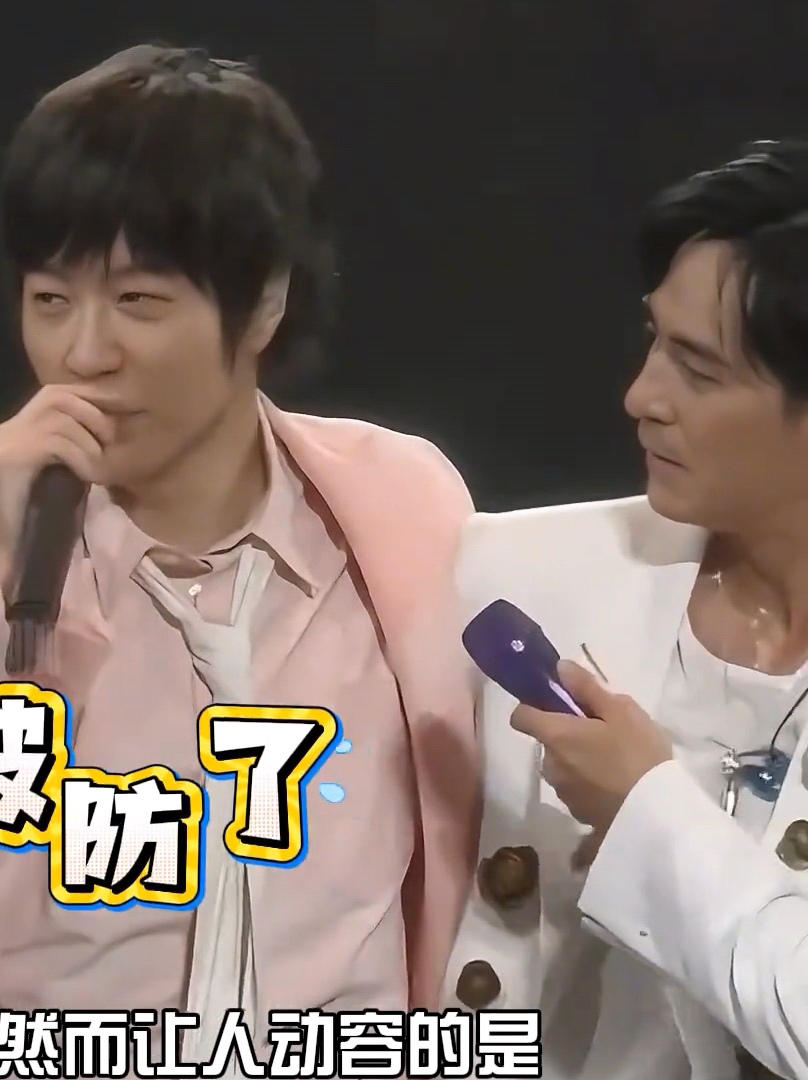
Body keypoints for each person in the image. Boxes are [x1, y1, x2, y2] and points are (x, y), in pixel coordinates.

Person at [0, 45, 479, 1080]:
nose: (84, 354)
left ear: (264, 303)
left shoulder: (400, 510)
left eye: (139, 301)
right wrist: (7, 612)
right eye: (51, 299)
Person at [449, 141, 808, 1080]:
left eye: (699, 369)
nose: (641, 397)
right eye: (655, 341)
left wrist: (643, 810)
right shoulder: (514, 573)